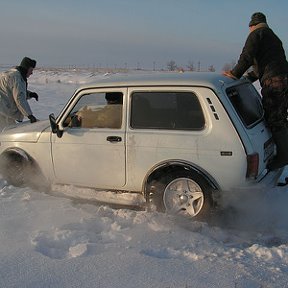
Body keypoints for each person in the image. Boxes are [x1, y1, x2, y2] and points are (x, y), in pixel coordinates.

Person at [223, 12, 288, 170]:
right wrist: (248, 78)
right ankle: (283, 153)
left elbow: (247, 56)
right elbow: (264, 65)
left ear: (251, 25)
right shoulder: (272, 37)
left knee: (276, 119)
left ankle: (284, 157)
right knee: (280, 117)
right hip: (282, 78)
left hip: (275, 82)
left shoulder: (256, 34)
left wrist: (234, 74)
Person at [0, 57, 39, 130]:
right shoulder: (16, 77)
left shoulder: (13, 74)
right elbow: (19, 98)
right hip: (3, 112)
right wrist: (29, 115)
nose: (32, 73)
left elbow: (14, 91)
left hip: (3, 110)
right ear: (26, 68)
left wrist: (30, 94)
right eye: (31, 70)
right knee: (7, 136)